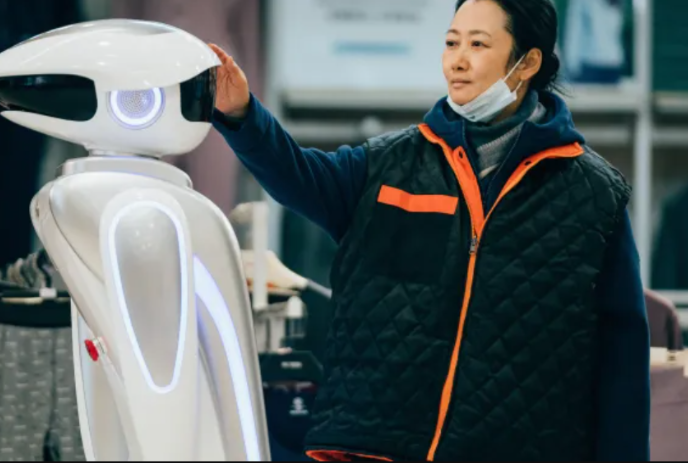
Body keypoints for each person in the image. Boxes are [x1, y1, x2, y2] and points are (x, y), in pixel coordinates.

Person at [209, 0, 651, 460]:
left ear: (529, 63)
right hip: (375, 449)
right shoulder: (387, 166)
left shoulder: (594, 196)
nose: (457, 60)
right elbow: (296, 174)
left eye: (478, 44)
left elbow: (622, 362)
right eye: (451, 42)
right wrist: (242, 115)